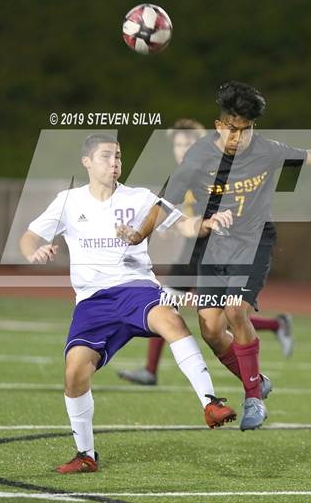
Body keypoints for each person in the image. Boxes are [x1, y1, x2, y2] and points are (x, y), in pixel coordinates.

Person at [117, 81, 311, 431]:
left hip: (253, 243)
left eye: (246, 130)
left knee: (234, 311)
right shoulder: (199, 156)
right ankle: (257, 379)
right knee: (211, 330)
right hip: (213, 248)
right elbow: (165, 202)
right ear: (218, 125)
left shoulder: (265, 150)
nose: (239, 137)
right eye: (232, 128)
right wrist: (138, 234)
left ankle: (253, 398)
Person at [19, 132, 236, 475]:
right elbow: (29, 236)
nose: (115, 162)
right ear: (87, 162)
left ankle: (210, 402)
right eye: (106, 156)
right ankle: (86, 455)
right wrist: (34, 251)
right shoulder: (68, 201)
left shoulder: (140, 197)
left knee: (171, 320)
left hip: (137, 288)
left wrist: (204, 223)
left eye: (118, 155)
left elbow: (182, 224)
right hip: (93, 302)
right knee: (74, 372)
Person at [118, 119, 292, 388]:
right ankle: (274, 329)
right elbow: (170, 211)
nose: (182, 148)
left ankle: (153, 371)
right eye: (178, 144)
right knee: (201, 311)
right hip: (196, 247)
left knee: (205, 312)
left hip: (216, 248)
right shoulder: (186, 170)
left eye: (188, 143)